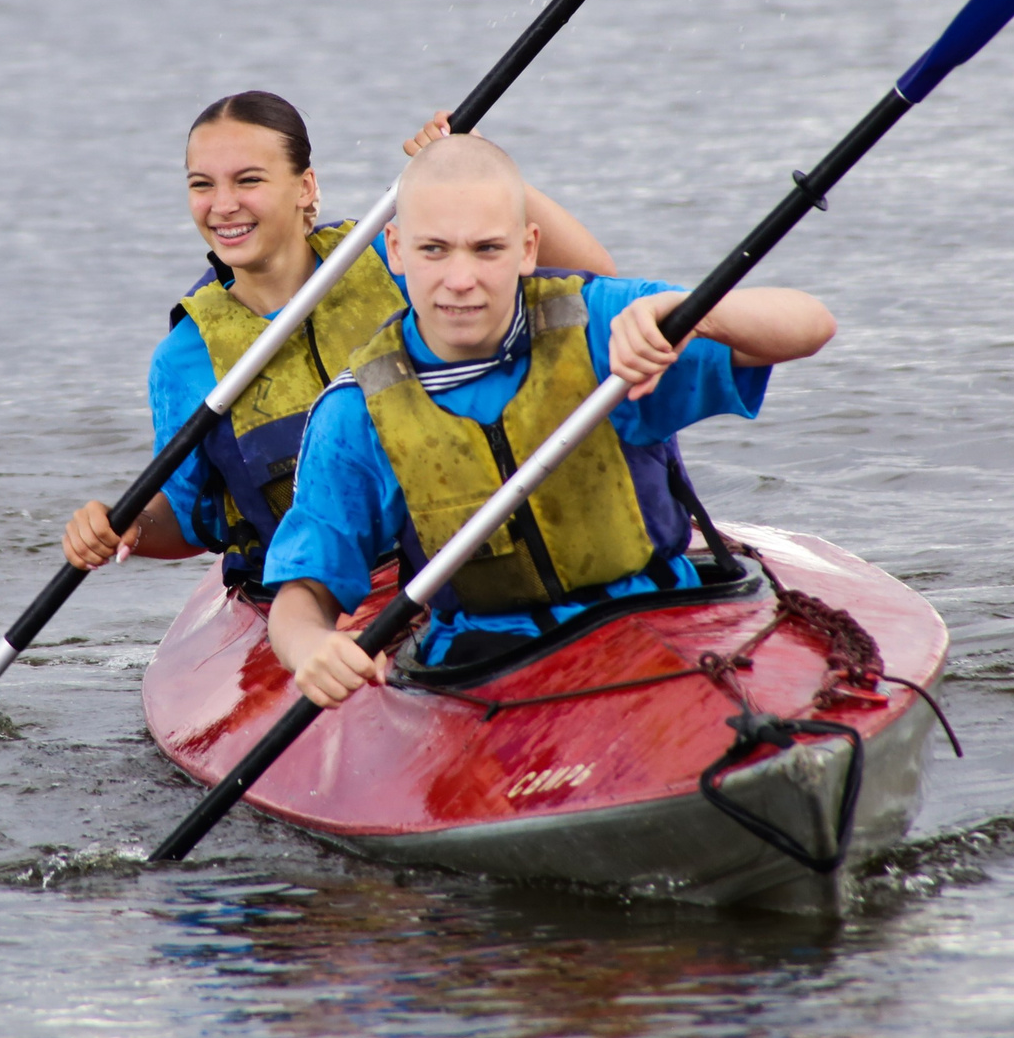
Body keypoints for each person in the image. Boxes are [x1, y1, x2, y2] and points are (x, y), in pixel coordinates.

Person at [261, 132, 836, 707]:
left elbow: (811, 326)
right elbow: (304, 593)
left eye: (487, 249)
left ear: (528, 248)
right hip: (487, 661)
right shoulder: (355, 411)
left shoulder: (602, 323)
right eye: (434, 250)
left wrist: (697, 316)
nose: (461, 279)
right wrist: (310, 645)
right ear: (395, 248)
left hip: (658, 623)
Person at [61, 92, 613, 588]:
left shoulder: (394, 258)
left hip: (464, 547)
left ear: (306, 188)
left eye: (248, 180)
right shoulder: (185, 357)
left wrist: (473, 168)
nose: (222, 204)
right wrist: (125, 524)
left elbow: (590, 276)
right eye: (202, 185)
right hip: (318, 586)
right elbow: (185, 519)